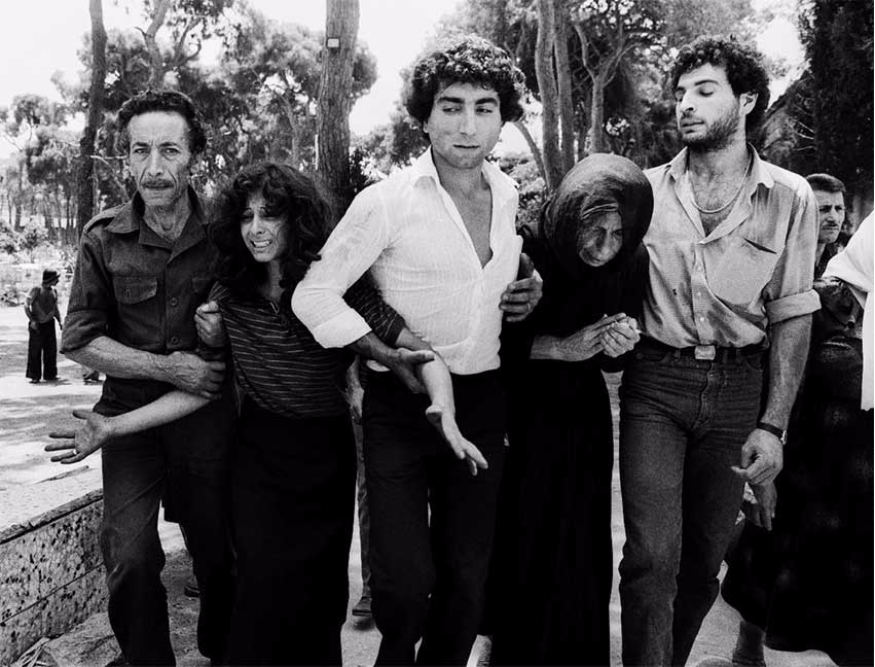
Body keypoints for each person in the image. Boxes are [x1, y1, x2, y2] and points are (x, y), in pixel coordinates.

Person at [49, 161, 481, 665]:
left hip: (325, 454)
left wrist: (443, 406)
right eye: (246, 216)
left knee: (320, 597)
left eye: (270, 215)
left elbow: (417, 350)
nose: (256, 228)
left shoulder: (336, 285)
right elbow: (202, 387)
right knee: (258, 592)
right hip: (258, 453)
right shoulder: (229, 295)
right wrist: (111, 426)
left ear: (297, 220)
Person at [292, 35, 541, 665]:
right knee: (403, 584)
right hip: (399, 403)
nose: (467, 125)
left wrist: (528, 286)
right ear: (424, 117)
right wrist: (381, 349)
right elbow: (313, 293)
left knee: (466, 582)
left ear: (504, 118)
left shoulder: (510, 196)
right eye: (450, 107)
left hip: (481, 400)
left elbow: (491, 280)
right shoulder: (386, 202)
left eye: (484, 107)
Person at [617, 35, 820, 667]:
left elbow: (793, 313)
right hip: (655, 384)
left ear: (747, 100)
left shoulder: (790, 196)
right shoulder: (644, 192)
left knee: (703, 564)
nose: (685, 104)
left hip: (738, 392)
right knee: (651, 558)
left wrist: (773, 426)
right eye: (680, 93)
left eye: (705, 91)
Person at [59, 90, 236, 666]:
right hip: (127, 418)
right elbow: (80, 339)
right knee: (129, 556)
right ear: (126, 158)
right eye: (140, 151)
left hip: (208, 418)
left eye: (169, 150)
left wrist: (219, 339)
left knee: (219, 552)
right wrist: (164, 366)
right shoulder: (102, 237)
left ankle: (221, 648)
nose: (154, 167)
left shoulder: (228, 234)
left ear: (194, 156)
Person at [486, 154, 652, 666]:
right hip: (519, 411)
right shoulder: (524, 250)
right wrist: (560, 347)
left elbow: (610, 358)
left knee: (579, 540)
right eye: (594, 229)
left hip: (582, 416)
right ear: (570, 214)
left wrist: (620, 343)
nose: (604, 247)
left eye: (618, 234)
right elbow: (487, 342)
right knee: (523, 535)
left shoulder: (632, 262)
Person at [720, 212, 873, 667]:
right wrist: (759, 477)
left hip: (865, 488)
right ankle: (746, 654)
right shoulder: (823, 303)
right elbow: (771, 384)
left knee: (858, 601)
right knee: (767, 569)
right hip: (805, 474)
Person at [25, 268, 63, 383]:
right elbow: (26, 305)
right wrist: (32, 320)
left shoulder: (54, 291)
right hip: (37, 324)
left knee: (51, 350)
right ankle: (34, 375)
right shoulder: (36, 289)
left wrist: (59, 321)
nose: (57, 281)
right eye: (56, 279)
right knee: (35, 350)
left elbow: (55, 308)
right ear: (50, 279)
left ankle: (50, 374)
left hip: (49, 323)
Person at [806, 173, 847, 278]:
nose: (834, 218)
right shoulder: (782, 259)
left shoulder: (841, 260)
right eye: (823, 209)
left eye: (839, 209)